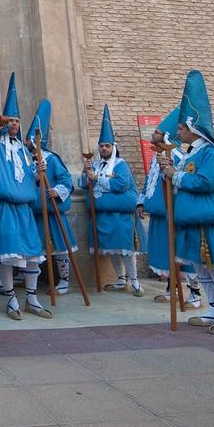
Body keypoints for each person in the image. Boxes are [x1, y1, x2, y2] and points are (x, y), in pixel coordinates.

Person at [0, 74, 50, 320]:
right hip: (2, 207)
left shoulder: (24, 150)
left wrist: (38, 174)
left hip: (24, 209)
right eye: (10, 120)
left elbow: (28, 177)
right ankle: (10, 299)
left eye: (17, 120)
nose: (14, 124)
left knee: (31, 254)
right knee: (8, 255)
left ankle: (31, 297)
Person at [160, 70, 214, 334]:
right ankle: (213, 308)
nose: (177, 132)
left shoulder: (210, 151)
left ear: (193, 128)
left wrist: (175, 175)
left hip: (210, 220)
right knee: (202, 269)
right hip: (192, 219)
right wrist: (169, 170)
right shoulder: (191, 153)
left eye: (180, 128)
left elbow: (206, 182)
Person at [136, 107, 202, 309]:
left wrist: (169, 172)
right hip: (158, 213)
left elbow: (178, 178)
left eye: (156, 132)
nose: (152, 134)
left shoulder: (176, 156)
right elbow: (150, 180)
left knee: (181, 251)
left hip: (172, 212)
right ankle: (170, 289)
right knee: (166, 252)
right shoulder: (157, 157)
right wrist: (141, 201)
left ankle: (195, 293)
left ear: (165, 135)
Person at [78, 105, 144, 296]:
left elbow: (121, 184)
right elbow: (83, 184)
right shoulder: (95, 164)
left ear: (113, 147)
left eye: (107, 146)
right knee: (112, 250)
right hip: (103, 216)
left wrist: (97, 178)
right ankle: (121, 279)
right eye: (101, 146)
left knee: (125, 249)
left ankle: (135, 281)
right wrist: (86, 171)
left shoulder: (121, 164)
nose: (103, 149)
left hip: (120, 216)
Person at [26, 99, 77, 296]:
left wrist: (58, 191)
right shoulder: (24, 158)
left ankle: (64, 280)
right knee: (34, 249)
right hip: (34, 213)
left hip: (52, 213)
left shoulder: (52, 159)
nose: (27, 142)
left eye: (30, 139)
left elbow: (66, 181)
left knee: (60, 247)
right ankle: (32, 280)